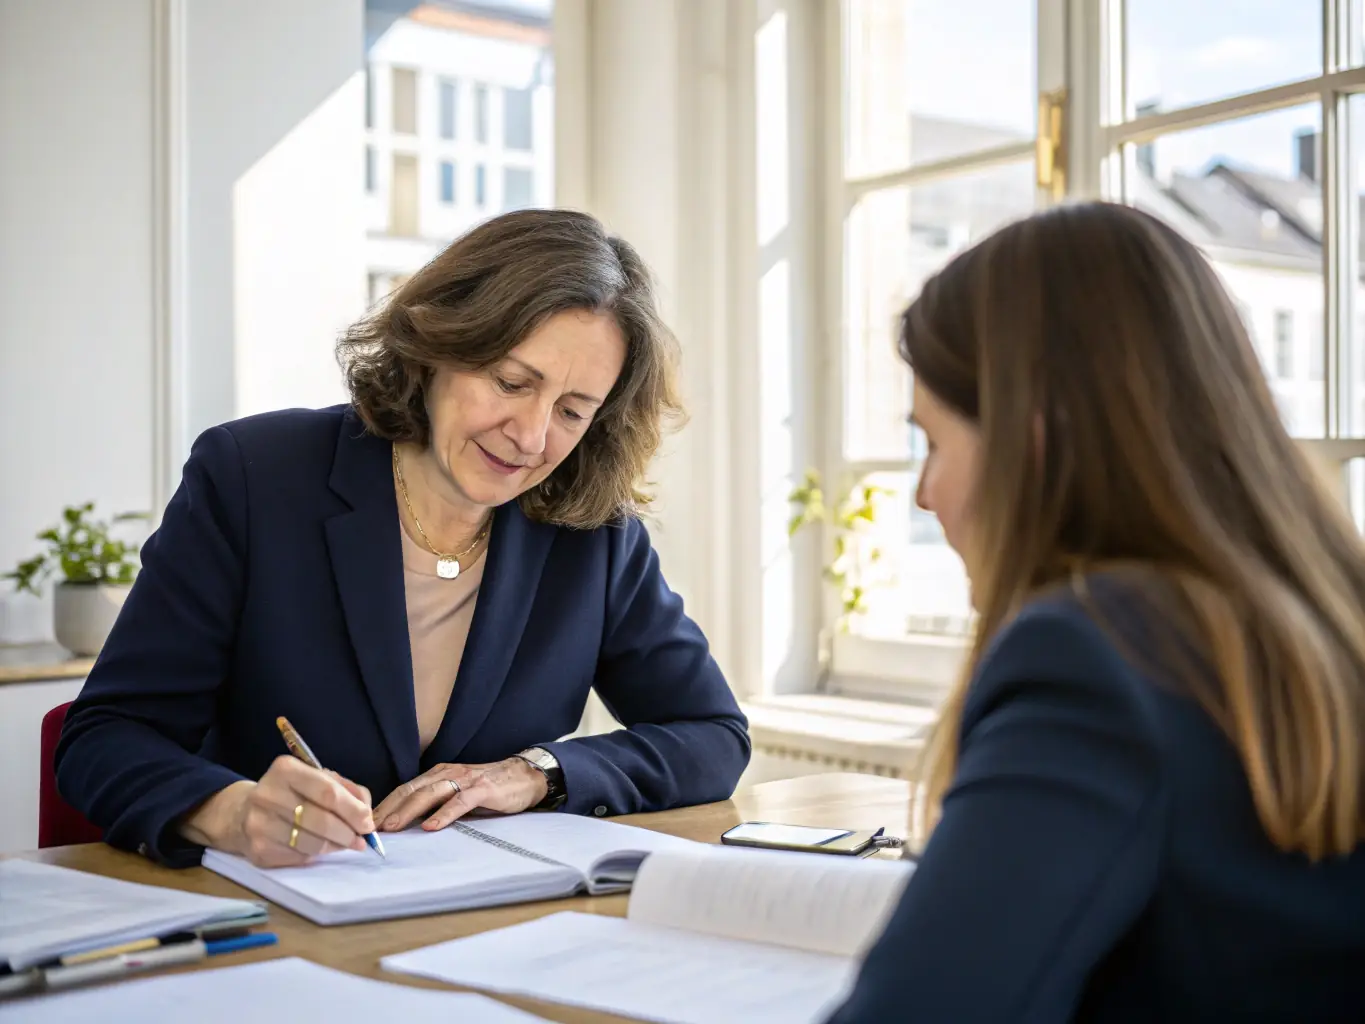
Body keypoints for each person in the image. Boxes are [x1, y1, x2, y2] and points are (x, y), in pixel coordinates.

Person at [56, 208, 750, 869]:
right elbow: (106, 738)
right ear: (440, 345)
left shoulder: (591, 534)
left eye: (572, 411)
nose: (533, 437)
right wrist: (232, 812)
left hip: (484, 924)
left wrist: (538, 773)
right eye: (511, 383)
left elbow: (712, 737)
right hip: (271, 915)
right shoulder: (253, 477)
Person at [827, 202, 1365, 1022]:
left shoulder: (1093, 655)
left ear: (1032, 441)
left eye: (934, 444)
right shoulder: (1319, 617)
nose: (924, 493)